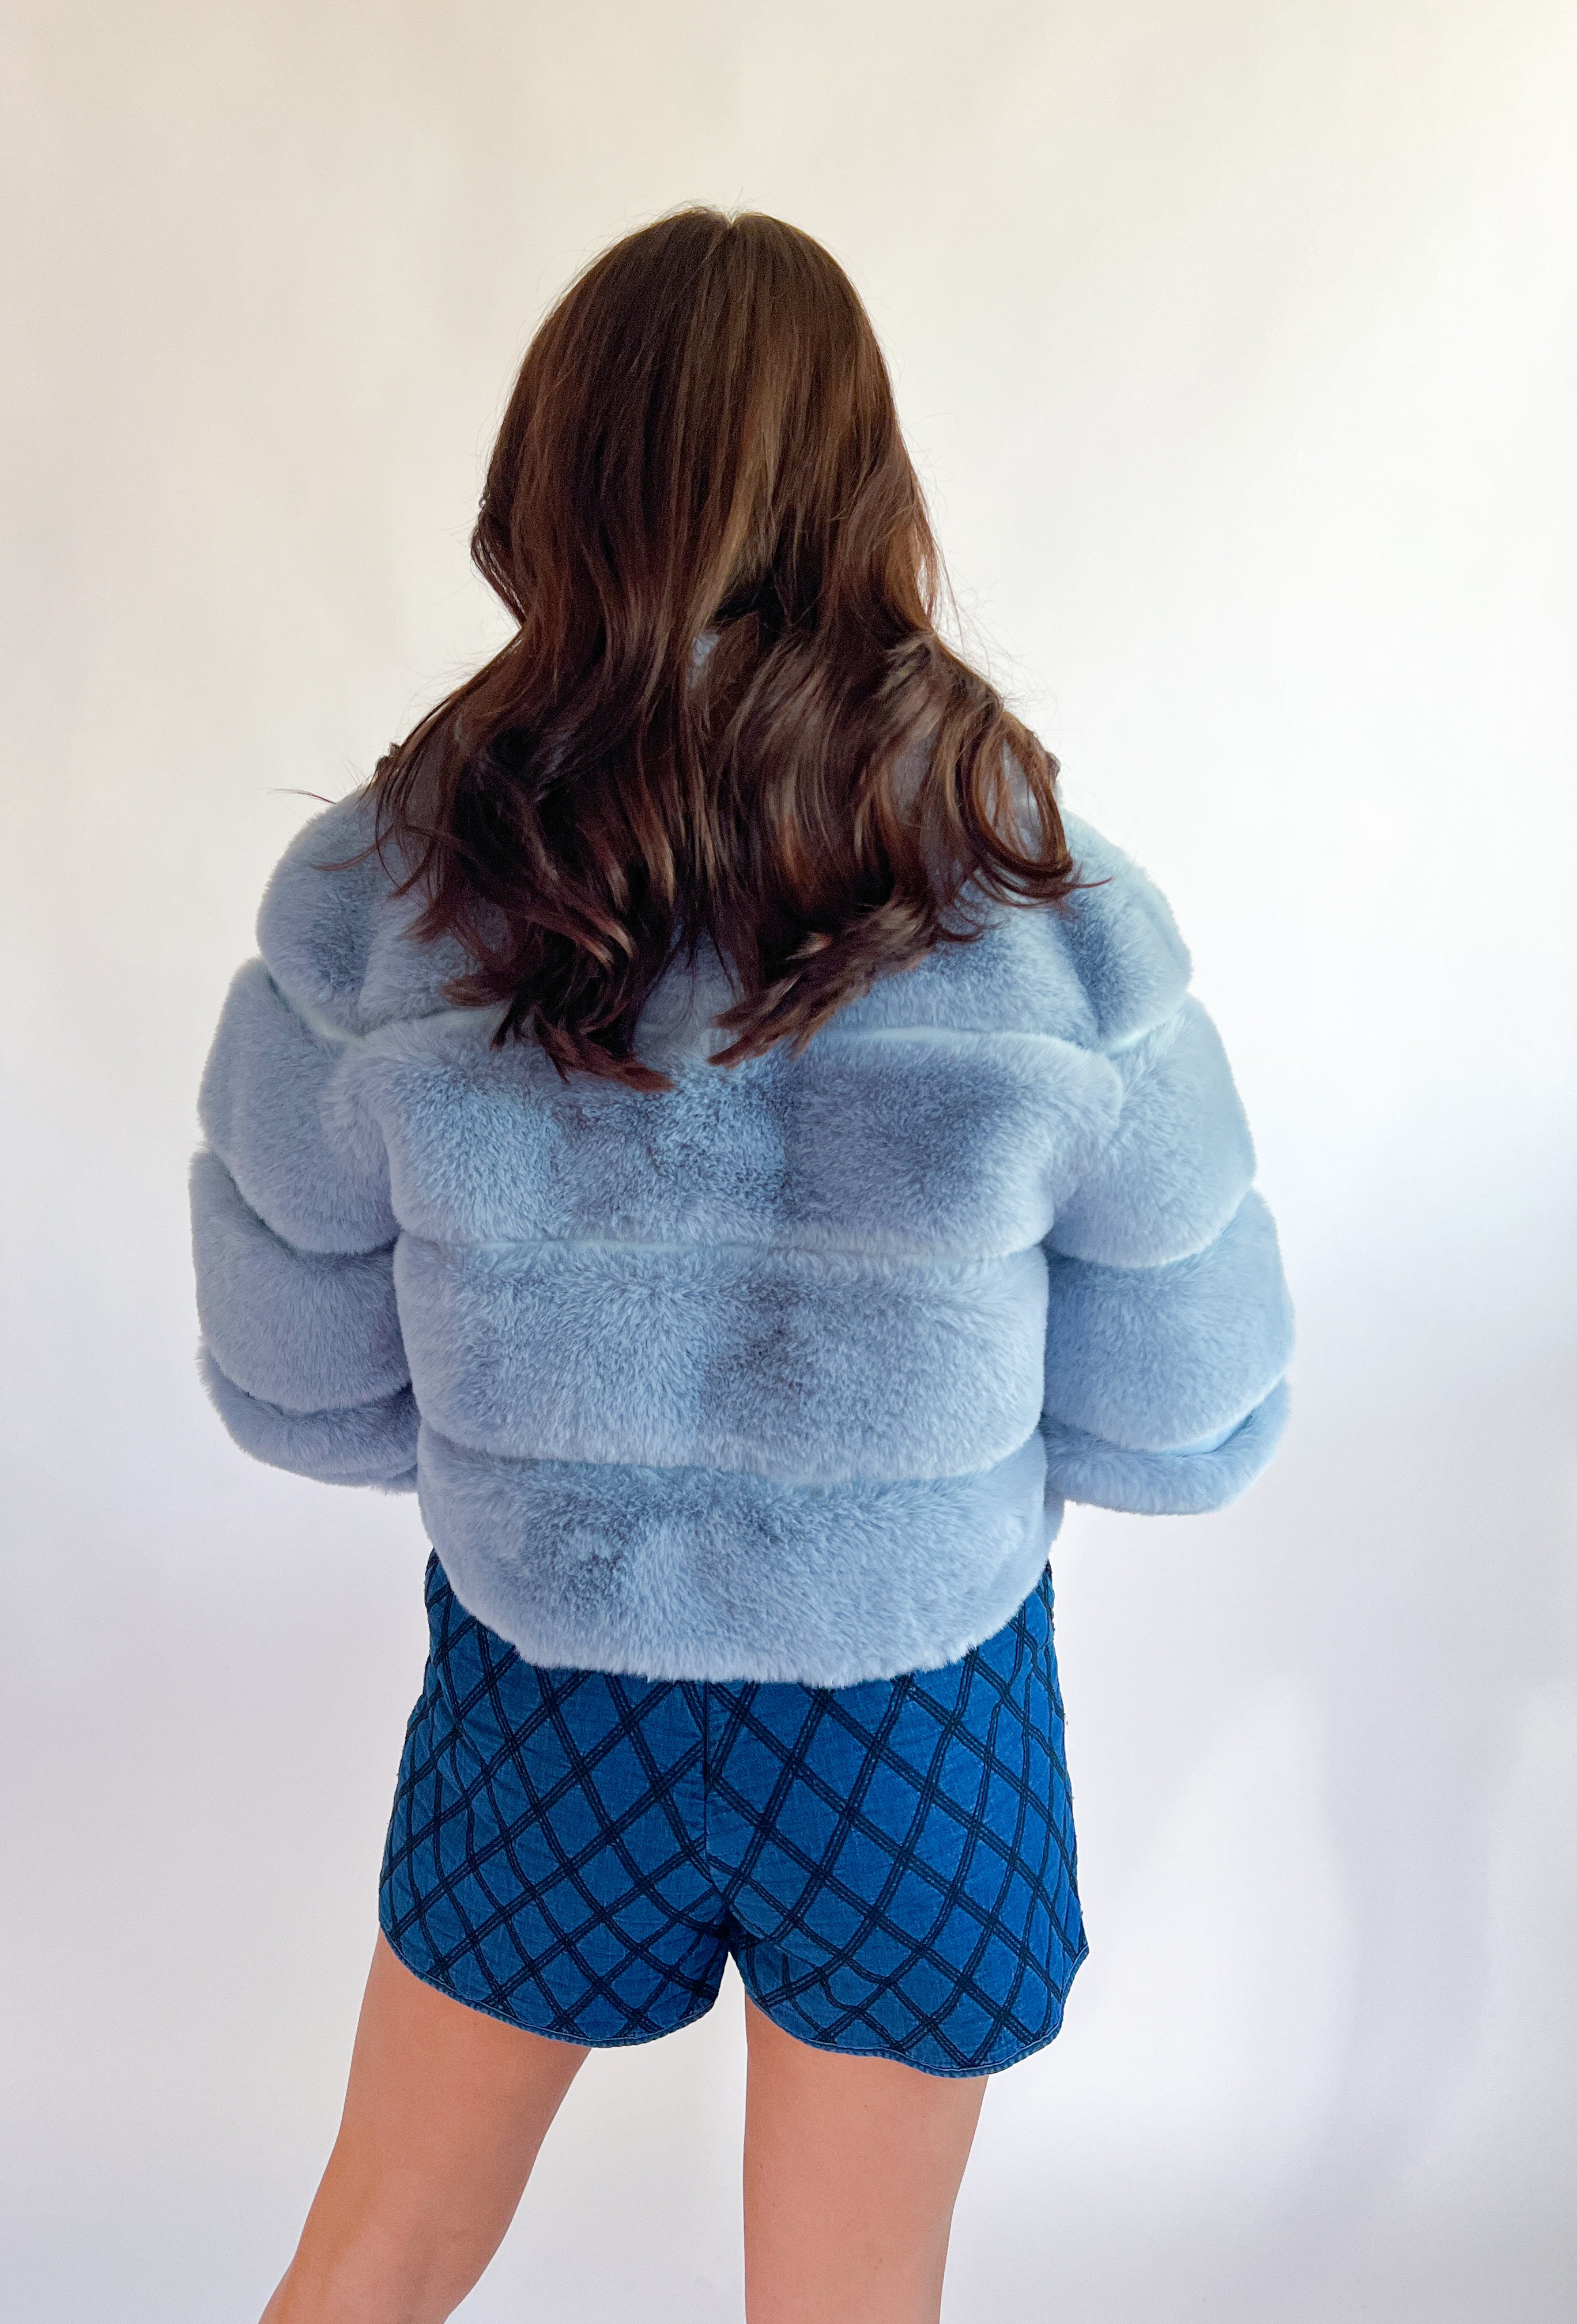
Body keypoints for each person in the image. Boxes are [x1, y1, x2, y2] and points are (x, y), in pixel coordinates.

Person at [190, 206, 1293, 2324]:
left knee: (379, 2248)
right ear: (870, 493)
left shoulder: (379, 886)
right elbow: (1189, 1419)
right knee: (850, 2295)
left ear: (547, 483)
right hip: (914, 1709)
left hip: (546, 1689)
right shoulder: (1044, 902)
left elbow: (296, 1384)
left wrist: (546, 1458)